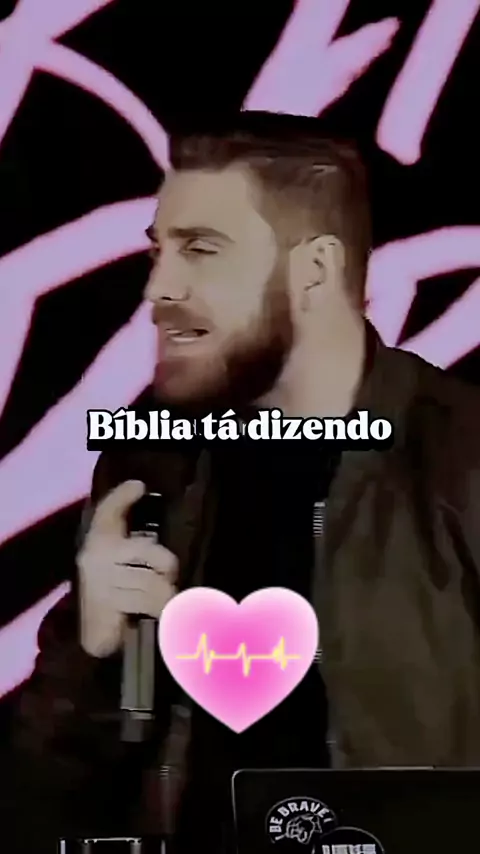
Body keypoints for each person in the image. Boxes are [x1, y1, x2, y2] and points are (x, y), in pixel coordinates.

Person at [5, 110, 480, 854]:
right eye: (158, 251)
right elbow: (40, 801)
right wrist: (92, 656)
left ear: (314, 270)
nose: (158, 287)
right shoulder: (150, 459)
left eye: (201, 249)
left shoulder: (460, 454)